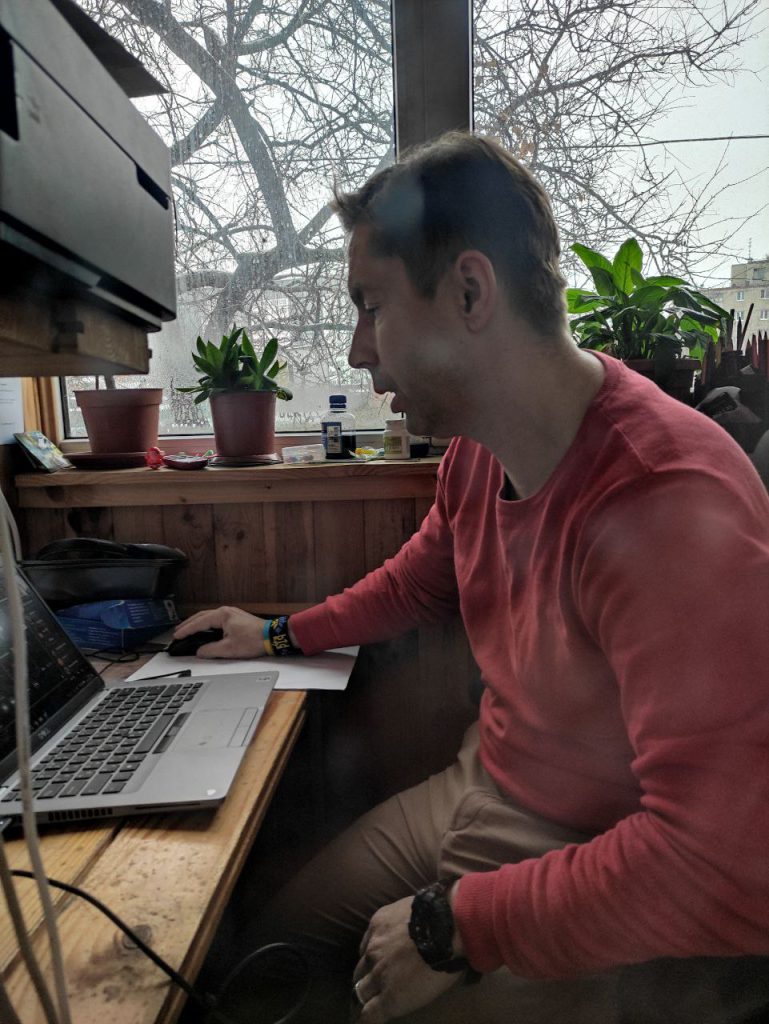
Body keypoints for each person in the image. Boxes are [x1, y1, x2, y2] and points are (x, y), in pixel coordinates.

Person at [174, 133, 769, 1023]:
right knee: (263, 951)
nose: (357, 351)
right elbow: (415, 584)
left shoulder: (664, 497)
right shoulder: (476, 452)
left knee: (363, 1004)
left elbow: (724, 862)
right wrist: (273, 634)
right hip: (481, 780)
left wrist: (457, 926)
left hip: (603, 853)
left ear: (468, 293)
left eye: (370, 306)